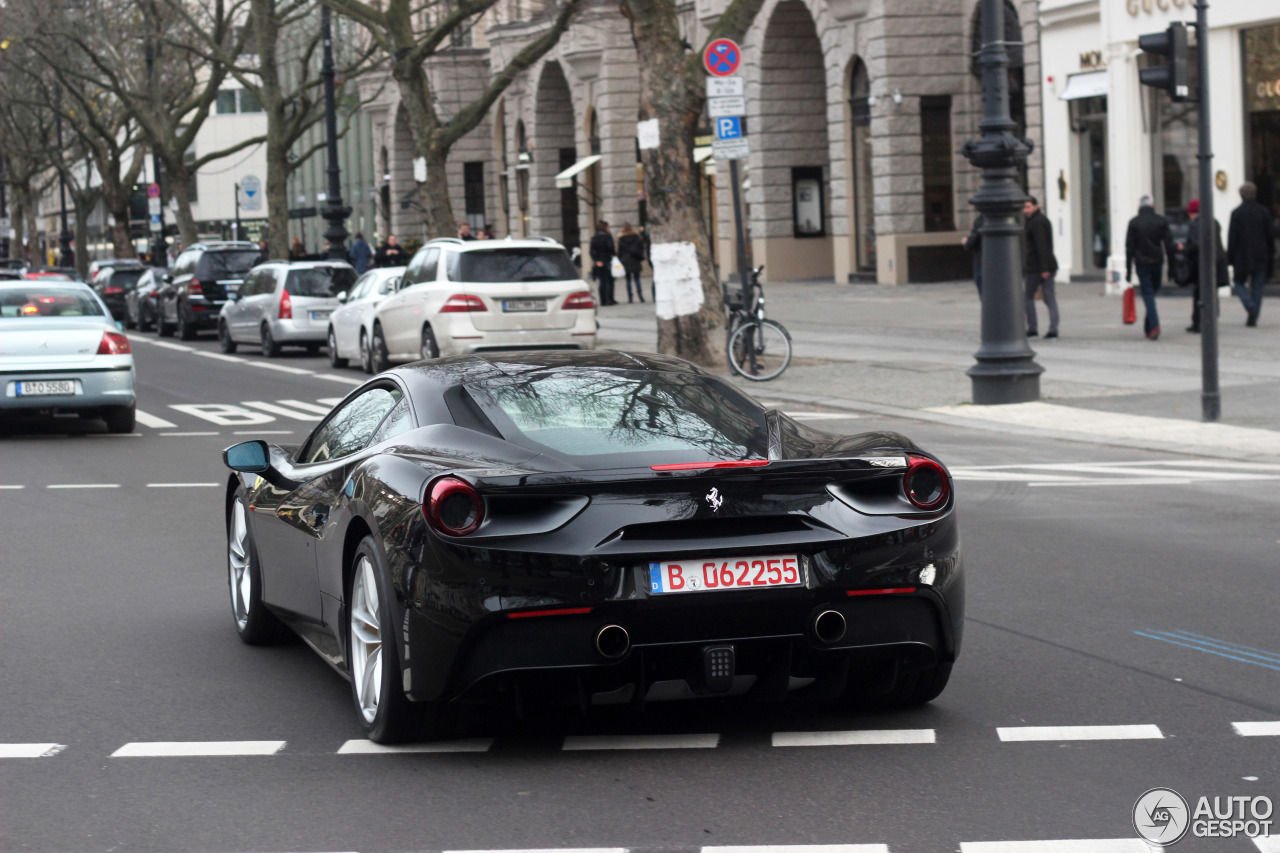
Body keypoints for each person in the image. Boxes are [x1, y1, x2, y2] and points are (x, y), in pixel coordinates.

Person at [1226, 181, 1276, 327]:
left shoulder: (1237, 213)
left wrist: (1230, 257)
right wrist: (1271, 251)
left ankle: (1250, 307)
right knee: (1258, 286)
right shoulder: (1264, 211)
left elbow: (1232, 237)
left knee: (1238, 282)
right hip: (1260, 255)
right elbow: (1270, 235)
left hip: (1242, 256)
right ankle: (1253, 313)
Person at [1124, 195, 1174, 340]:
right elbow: (1169, 245)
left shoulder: (1134, 223)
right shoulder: (1161, 221)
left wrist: (1128, 269)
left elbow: (1129, 247)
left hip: (1141, 263)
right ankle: (1152, 326)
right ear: (1153, 205)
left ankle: (1153, 325)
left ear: (1139, 207)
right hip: (1157, 262)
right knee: (1151, 293)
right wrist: (1172, 267)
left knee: (1148, 294)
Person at [1178, 199, 1228, 333]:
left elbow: (1195, 245)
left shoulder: (1196, 225)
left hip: (1201, 265)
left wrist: (1183, 249)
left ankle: (1199, 322)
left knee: (1199, 293)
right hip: (1216, 262)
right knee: (1212, 292)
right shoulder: (1214, 222)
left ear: (1193, 212)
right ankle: (1211, 319)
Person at [1023, 197, 1059, 338]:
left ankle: (1034, 328)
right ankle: (1052, 328)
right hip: (1045, 264)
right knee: (1048, 296)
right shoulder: (1037, 220)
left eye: (1028, 207)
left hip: (1038, 266)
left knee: (1029, 296)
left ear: (1036, 206)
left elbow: (1041, 246)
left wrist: (1044, 268)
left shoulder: (1036, 223)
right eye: (1024, 207)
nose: (1025, 210)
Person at [617, 222, 646, 303]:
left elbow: (619, 252)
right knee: (637, 279)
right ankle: (640, 295)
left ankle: (630, 297)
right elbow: (641, 248)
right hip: (635, 259)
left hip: (626, 260)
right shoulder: (636, 237)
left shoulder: (621, 239)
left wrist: (620, 259)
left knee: (628, 279)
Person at [589, 220, 616, 306]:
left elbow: (591, 251)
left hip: (599, 261)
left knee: (602, 281)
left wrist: (596, 260)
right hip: (607, 260)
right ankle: (609, 299)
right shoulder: (607, 237)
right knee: (609, 280)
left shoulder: (594, 238)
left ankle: (603, 300)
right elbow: (611, 247)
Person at [962, 214, 984, 296]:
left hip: (981, 264)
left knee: (984, 295)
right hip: (997, 265)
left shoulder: (979, 221)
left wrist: (966, 241)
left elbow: (970, 243)